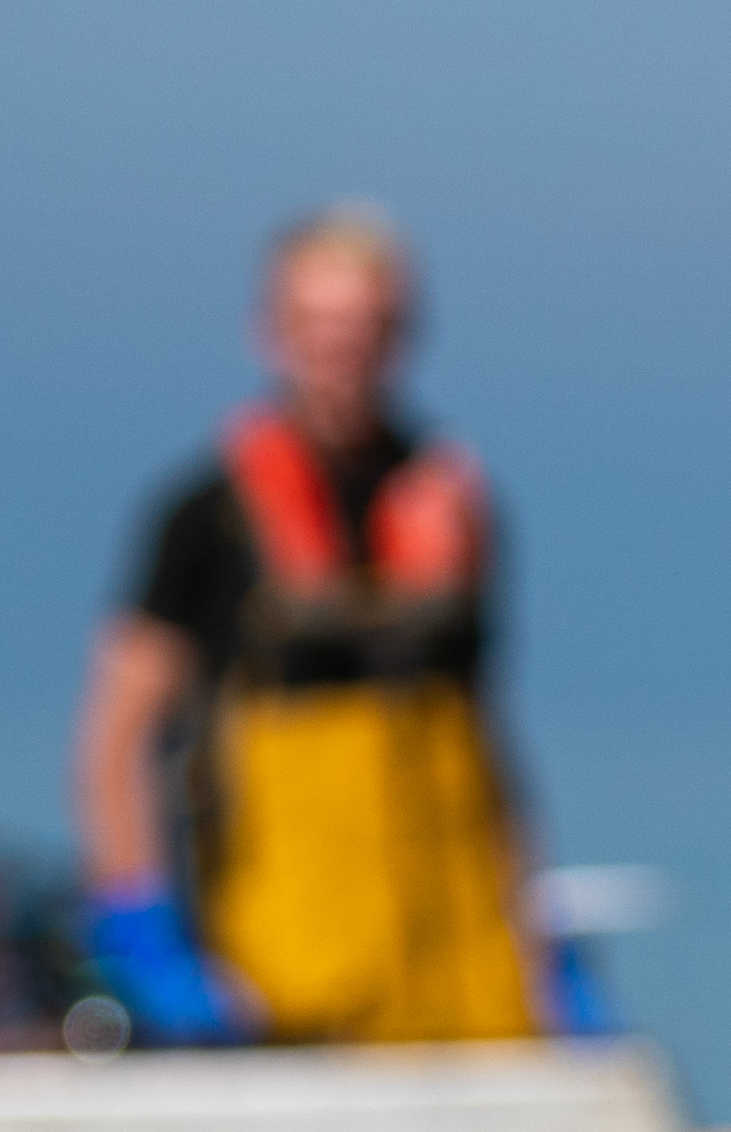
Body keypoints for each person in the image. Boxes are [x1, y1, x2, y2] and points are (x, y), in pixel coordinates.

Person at [70, 207, 574, 1048]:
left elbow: (490, 744)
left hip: (463, 964)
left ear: (404, 336)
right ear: (267, 334)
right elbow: (114, 737)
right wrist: (139, 924)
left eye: (366, 326)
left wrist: (542, 948)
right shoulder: (205, 516)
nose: (340, 349)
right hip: (285, 963)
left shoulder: (454, 508)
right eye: (314, 324)